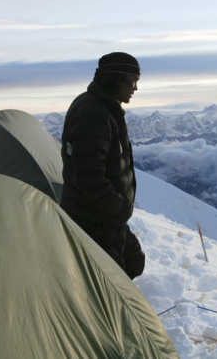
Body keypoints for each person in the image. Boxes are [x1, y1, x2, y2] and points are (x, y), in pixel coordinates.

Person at [60, 52, 145, 279]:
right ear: (115, 79)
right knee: (111, 281)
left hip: (103, 216)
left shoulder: (102, 107)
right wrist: (117, 207)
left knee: (133, 262)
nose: (135, 87)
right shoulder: (93, 113)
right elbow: (89, 176)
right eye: (132, 80)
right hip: (96, 219)